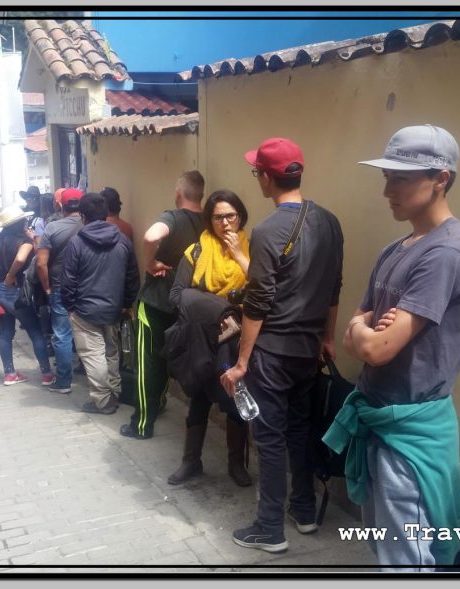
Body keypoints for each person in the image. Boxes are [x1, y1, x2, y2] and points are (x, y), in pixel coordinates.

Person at [327, 125, 460, 570]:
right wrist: (368, 329)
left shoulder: (447, 254)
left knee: (405, 561)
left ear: (441, 178)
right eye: (387, 176)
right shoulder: (397, 249)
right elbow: (356, 332)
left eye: (401, 178)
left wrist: (367, 332)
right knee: (386, 550)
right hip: (379, 419)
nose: (387, 190)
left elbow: (376, 350)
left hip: (409, 433)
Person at [220, 137, 344, 553]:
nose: (257, 179)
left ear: (269, 178)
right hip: (308, 351)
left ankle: (269, 528)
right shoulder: (329, 222)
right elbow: (333, 289)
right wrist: (326, 337)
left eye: (257, 173)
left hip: (272, 353)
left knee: (269, 438)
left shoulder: (270, 228)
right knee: (299, 430)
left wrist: (241, 362)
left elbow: (258, 301)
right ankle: (304, 511)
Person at [162, 190, 253, 486]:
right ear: (209, 220)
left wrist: (240, 256)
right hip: (201, 336)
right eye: (218, 217)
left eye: (230, 216)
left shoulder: (254, 250)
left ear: (240, 216)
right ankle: (191, 462)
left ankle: (237, 465)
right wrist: (219, 309)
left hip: (235, 337)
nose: (225, 223)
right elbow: (177, 295)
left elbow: (263, 292)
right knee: (199, 395)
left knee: (235, 397)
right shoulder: (197, 251)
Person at [127, 171, 205, 437]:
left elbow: (151, 237)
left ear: (179, 193)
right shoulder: (210, 222)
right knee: (167, 358)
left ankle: (141, 424)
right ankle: (159, 403)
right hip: (186, 304)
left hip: (156, 302)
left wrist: (149, 263)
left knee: (147, 362)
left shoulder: (173, 216)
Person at [61, 193, 139, 415]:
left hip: (85, 311)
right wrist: (126, 304)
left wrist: (70, 307)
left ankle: (104, 401)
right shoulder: (123, 240)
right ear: (106, 215)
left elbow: (68, 281)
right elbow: (133, 276)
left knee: (93, 354)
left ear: (83, 217)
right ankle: (113, 391)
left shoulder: (76, 243)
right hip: (114, 309)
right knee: (111, 352)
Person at [0, 205, 54, 386]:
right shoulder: (24, 242)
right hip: (17, 291)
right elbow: (20, 259)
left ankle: (9, 374)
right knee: (35, 332)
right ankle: (47, 374)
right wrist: (10, 274)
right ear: (19, 223)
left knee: (6, 333)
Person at [36, 188, 85, 394]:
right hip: (86, 287)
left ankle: (64, 381)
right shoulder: (89, 225)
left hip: (59, 286)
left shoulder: (52, 228)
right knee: (89, 331)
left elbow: (41, 264)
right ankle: (95, 376)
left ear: (61, 206)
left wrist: (46, 286)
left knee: (62, 334)